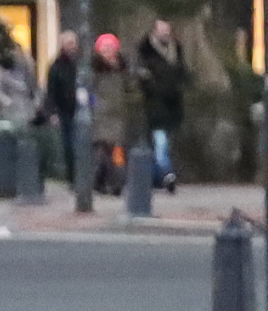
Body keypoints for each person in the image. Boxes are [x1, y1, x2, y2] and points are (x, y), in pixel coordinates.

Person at [134, 17, 185, 191]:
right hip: (156, 104)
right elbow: (141, 77)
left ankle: (158, 177)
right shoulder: (145, 51)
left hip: (173, 103)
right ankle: (167, 174)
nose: (165, 33)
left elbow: (182, 72)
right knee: (160, 141)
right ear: (154, 31)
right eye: (162, 30)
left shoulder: (176, 49)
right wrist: (152, 86)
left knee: (165, 143)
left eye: (167, 30)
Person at [87, 32, 129, 196]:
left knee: (117, 152)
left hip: (118, 115)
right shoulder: (94, 70)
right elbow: (89, 93)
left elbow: (129, 89)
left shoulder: (122, 69)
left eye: (111, 48)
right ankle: (100, 182)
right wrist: (94, 107)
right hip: (101, 116)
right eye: (104, 48)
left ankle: (117, 183)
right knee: (102, 153)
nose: (108, 51)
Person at [43, 33, 80, 179]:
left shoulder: (81, 64)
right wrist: (52, 112)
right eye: (69, 43)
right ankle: (72, 176)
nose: (72, 46)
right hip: (65, 111)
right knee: (70, 144)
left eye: (73, 43)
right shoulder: (56, 67)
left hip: (81, 109)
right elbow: (51, 91)